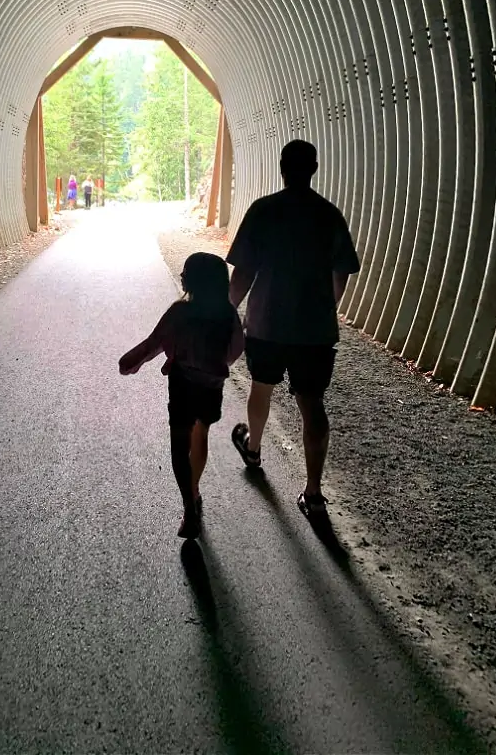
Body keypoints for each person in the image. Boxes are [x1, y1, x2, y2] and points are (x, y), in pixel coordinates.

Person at [226, 140, 360, 520]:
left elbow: (244, 272)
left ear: (281, 166)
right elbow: (342, 272)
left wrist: (228, 309)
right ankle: (314, 494)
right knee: (312, 402)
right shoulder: (328, 214)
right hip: (314, 330)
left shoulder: (264, 211)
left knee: (261, 387)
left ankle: (253, 448)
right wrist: (325, 308)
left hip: (267, 323)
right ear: (314, 168)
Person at [119, 253, 244, 539]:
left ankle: (190, 507)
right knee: (201, 434)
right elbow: (236, 348)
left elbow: (155, 342)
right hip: (211, 388)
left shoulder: (179, 311)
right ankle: (195, 490)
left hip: (182, 386)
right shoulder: (227, 314)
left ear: (190, 280)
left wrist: (132, 362)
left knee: (179, 446)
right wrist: (216, 364)